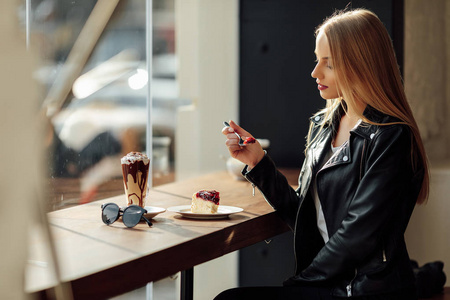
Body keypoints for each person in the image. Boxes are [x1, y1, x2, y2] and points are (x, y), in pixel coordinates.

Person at [218, 8, 429, 300]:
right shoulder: (324, 125)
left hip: (363, 290)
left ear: (360, 65)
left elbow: (357, 237)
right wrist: (258, 163)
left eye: (328, 64)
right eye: (318, 60)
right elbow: (304, 217)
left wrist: (300, 283)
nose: (315, 72)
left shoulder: (392, 137)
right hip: (327, 283)